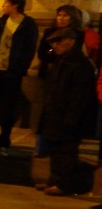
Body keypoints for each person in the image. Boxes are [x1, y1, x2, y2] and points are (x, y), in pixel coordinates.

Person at [37, 28, 96, 196]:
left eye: (58, 42)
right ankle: (54, 180)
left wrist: (71, 119)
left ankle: (65, 184)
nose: (54, 46)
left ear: (71, 41)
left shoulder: (80, 64)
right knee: (55, 149)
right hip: (56, 114)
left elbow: (80, 96)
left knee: (67, 152)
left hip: (69, 117)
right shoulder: (60, 61)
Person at [0, 0, 38, 156]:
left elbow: (29, 50)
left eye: (6, 2)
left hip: (11, 74)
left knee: (7, 109)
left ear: (15, 5)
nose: (2, 5)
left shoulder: (28, 24)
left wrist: (18, 70)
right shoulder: (2, 21)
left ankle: (4, 142)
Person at [35, 4, 83, 157]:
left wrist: (54, 56)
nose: (61, 18)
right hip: (49, 75)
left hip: (65, 78)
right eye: (59, 15)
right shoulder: (50, 32)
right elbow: (42, 52)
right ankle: (42, 148)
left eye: (65, 15)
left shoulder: (77, 35)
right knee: (46, 110)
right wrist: (52, 55)